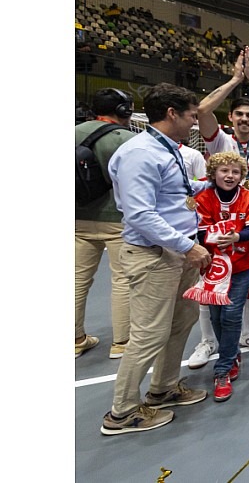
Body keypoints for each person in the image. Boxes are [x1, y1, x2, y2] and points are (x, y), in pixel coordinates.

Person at [101, 83, 212, 435]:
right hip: (154, 255)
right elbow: (140, 214)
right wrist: (188, 245)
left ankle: (163, 389)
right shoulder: (141, 153)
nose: (195, 123)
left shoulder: (166, 148)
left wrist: (210, 184)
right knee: (149, 334)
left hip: (174, 253)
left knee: (182, 320)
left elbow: (172, 192)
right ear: (171, 113)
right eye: (192, 115)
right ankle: (122, 412)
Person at [191, 47, 249, 367]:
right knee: (210, 279)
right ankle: (207, 341)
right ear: (231, 118)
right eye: (239, 114)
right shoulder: (220, 142)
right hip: (218, 223)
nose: (245, 119)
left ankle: (247, 332)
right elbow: (203, 108)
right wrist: (234, 80)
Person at [192, 152, 249, 402]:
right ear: (213, 174)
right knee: (216, 315)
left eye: (235, 172)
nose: (230, 176)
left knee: (232, 314)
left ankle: (222, 369)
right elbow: (199, 232)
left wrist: (236, 237)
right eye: (224, 171)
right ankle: (231, 354)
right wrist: (214, 239)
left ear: (242, 176)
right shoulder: (202, 198)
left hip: (241, 265)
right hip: (211, 266)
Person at [75, 88, 136, 359]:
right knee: (122, 280)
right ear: (123, 111)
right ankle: (121, 342)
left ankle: (75, 339)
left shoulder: (72, 132)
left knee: (76, 280)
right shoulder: (127, 139)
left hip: (77, 218)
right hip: (117, 220)